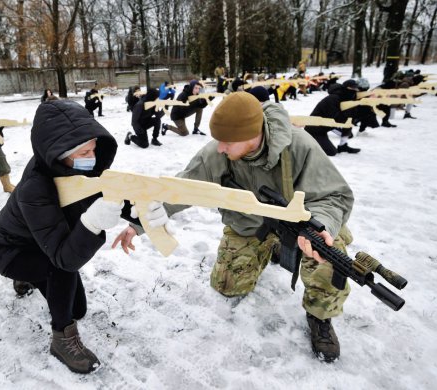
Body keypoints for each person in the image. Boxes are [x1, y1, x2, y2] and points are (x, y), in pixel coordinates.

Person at [113, 92, 354, 363]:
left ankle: (320, 316)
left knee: (331, 257)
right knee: (227, 286)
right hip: (248, 227)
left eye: (227, 142)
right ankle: (271, 246)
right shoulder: (217, 153)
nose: (220, 148)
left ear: (252, 136)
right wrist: (139, 224)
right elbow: (182, 190)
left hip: (302, 228)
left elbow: (335, 195)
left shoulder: (299, 146)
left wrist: (324, 225)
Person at [0, 99, 137, 374]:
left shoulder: (77, 166)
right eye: (84, 152)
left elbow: (111, 194)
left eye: (93, 148)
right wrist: (92, 223)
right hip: (9, 250)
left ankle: (32, 276)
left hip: (42, 241)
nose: (92, 156)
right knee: (61, 270)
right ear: (57, 153)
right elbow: (65, 259)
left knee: (77, 308)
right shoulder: (36, 188)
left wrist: (141, 215)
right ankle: (62, 340)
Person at [304, 79, 361, 155]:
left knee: (348, 124)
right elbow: (334, 118)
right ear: (346, 88)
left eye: (356, 89)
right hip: (314, 129)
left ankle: (343, 146)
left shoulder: (345, 99)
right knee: (331, 152)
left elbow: (351, 116)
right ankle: (307, 144)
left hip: (324, 128)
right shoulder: (333, 99)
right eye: (352, 89)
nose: (355, 91)